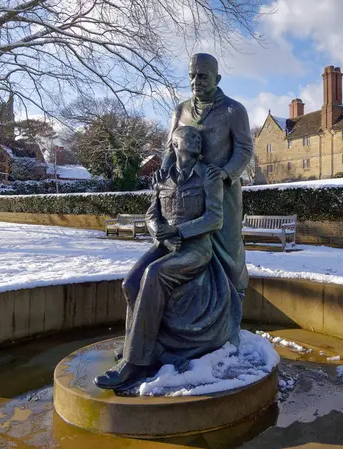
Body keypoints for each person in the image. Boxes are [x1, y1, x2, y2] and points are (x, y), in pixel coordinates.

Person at [94, 126, 241, 391]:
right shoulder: (162, 177)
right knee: (130, 283)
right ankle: (147, 346)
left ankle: (133, 362)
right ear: (175, 144)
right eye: (189, 136)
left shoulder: (208, 175)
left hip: (195, 247)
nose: (197, 138)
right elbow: (152, 214)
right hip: (166, 243)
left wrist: (179, 231)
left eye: (198, 137)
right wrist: (159, 233)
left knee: (154, 274)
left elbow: (214, 218)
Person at [162, 53, 254, 296]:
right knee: (188, 247)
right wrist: (164, 174)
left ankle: (233, 299)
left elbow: (244, 148)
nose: (196, 81)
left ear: (217, 78)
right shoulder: (180, 110)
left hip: (223, 190)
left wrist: (225, 173)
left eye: (202, 76)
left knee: (228, 248)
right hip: (189, 190)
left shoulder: (234, 110)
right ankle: (193, 303)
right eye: (191, 76)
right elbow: (170, 148)